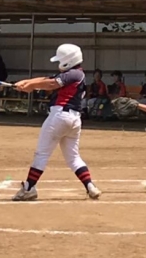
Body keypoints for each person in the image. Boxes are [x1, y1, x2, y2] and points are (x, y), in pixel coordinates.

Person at [12, 43, 101, 202]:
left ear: (68, 60)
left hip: (60, 117)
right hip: (73, 120)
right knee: (73, 157)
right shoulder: (75, 74)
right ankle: (90, 186)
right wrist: (27, 83)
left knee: (42, 154)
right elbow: (48, 80)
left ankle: (29, 188)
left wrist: (31, 85)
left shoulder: (74, 74)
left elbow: (52, 84)